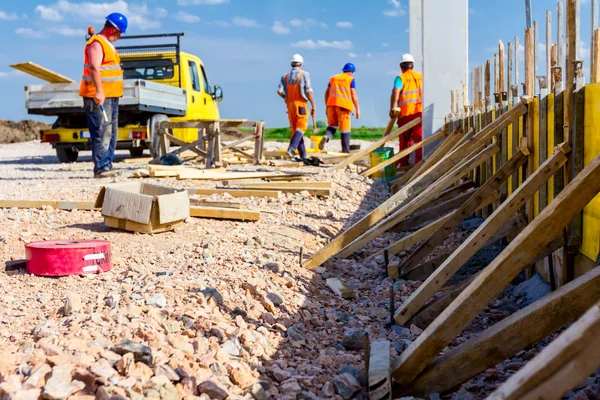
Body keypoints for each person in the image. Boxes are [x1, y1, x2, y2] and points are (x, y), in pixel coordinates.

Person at [79, 12, 128, 178]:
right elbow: (94, 67)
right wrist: (99, 91)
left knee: (111, 132)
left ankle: (107, 165)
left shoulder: (107, 44)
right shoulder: (97, 43)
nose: (120, 36)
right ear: (113, 29)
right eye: (119, 32)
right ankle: (101, 168)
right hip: (99, 96)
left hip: (112, 96)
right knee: (101, 132)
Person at [277, 54, 316, 159]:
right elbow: (308, 91)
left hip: (290, 105)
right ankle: (292, 148)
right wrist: (313, 105)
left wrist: (287, 98)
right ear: (301, 64)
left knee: (296, 130)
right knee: (302, 127)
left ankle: (303, 156)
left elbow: (279, 92)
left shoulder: (284, 76)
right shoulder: (304, 74)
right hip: (301, 104)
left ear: (291, 64)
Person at [390, 53, 423, 167]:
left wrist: (392, 107)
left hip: (406, 114)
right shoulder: (421, 77)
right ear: (412, 66)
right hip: (420, 114)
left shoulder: (400, 78)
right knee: (419, 142)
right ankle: (419, 166)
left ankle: (404, 165)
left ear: (401, 67)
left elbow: (395, 91)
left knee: (405, 142)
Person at [319, 63, 360, 153]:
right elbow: (353, 94)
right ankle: (346, 151)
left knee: (332, 125)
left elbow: (326, 93)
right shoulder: (350, 79)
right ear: (351, 72)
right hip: (343, 107)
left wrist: (327, 106)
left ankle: (326, 136)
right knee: (345, 129)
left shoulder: (333, 78)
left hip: (330, 105)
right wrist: (357, 109)